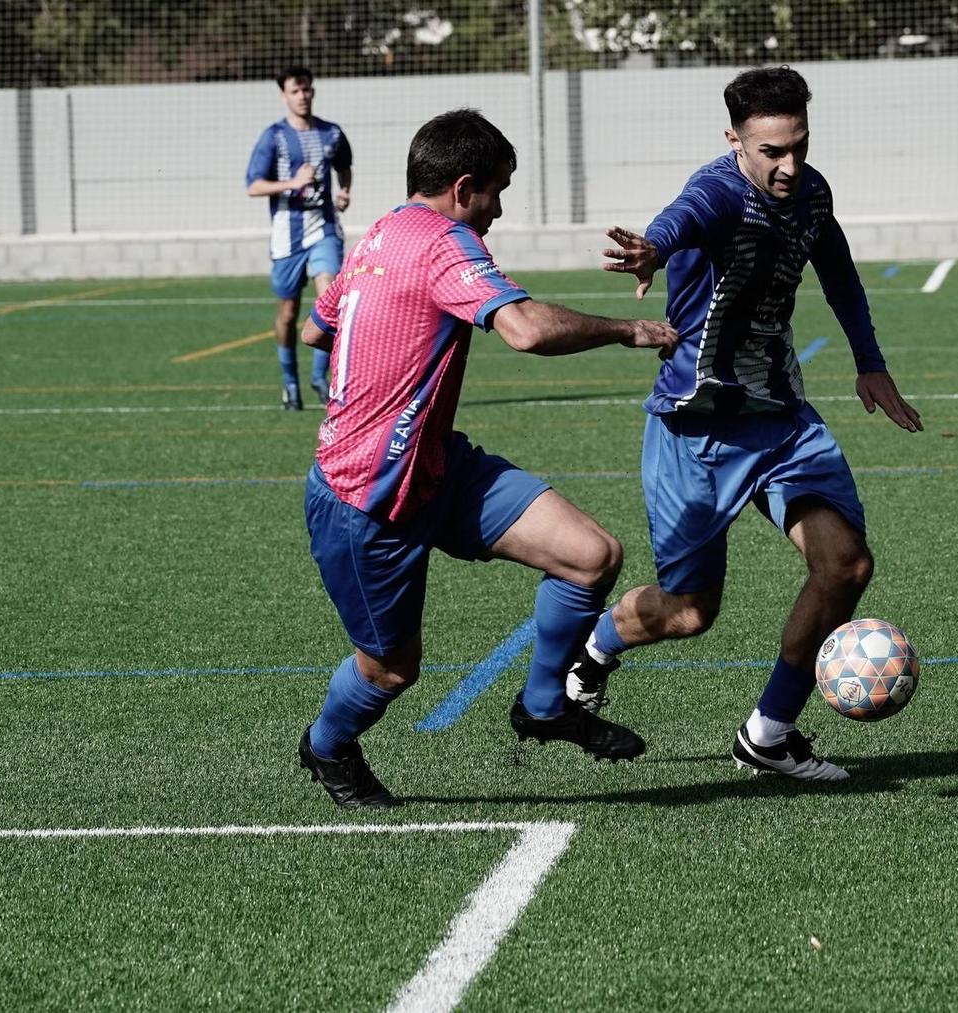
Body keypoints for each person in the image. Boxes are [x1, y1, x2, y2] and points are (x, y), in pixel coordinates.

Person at [295, 108, 680, 809]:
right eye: (497, 191)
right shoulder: (446, 242)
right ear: (464, 186)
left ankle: (542, 705)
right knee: (389, 671)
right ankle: (327, 745)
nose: (499, 209)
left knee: (590, 555)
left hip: (439, 467)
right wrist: (630, 329)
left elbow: (318, 330)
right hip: (367, 500)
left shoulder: (381, 231)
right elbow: (526, 331)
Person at [573, 65, 924, 782]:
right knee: (689, 611)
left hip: (781, 419)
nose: (789, 164)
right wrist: (654, 248)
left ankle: (769, 731)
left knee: (847, 563)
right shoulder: (715, 191)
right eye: (771, 151)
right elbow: (681, 220)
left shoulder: (813, 191)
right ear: (734, 139)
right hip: (695, 430)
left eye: (798, 144)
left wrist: (870, 361)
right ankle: (596, 646)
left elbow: (840, 273)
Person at [246, 67, 353, 409]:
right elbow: (253, 186)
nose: (302, 95)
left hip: (323, 227)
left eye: (306, 89)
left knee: (331, 300)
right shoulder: (273, 137)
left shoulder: (331, 133)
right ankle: (290, 383)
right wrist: (292, 184)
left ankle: (321, 377)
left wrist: (345, 191)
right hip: (287, 234)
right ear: (284, 96)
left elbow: (344, 165)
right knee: (289, 313)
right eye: (295, 91)